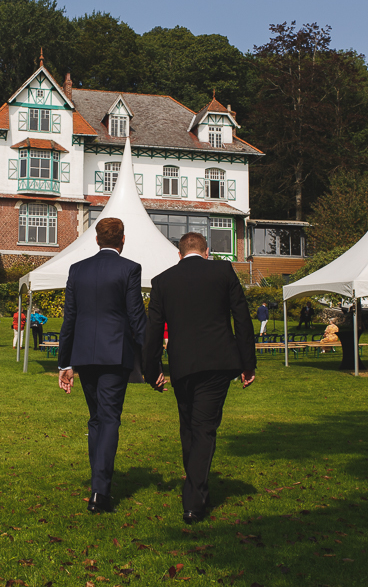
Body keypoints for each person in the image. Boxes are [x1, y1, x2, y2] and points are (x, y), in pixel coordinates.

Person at [142, 232, 256, 525]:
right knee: (203, 428)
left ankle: (196, 491)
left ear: (179, 255)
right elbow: (241, 317)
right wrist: (248, 363)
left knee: (189, 426)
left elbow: (153, 330)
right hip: (218, 361)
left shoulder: (163, 280)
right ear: (207, 252)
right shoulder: (223, 271)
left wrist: (152, 369)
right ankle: (194, 500)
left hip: (182, 363)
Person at [58, 218, 147, 514]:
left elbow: (69, 318)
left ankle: (98, 482)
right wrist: (150, 358)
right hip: (114, 352)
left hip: (83, 353)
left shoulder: (77, 270)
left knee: (96, 418)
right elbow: (136, 317)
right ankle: (100, 491)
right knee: (109, 419)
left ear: (96, 240)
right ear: (122, 240)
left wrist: (65, 363)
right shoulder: (129, 269)